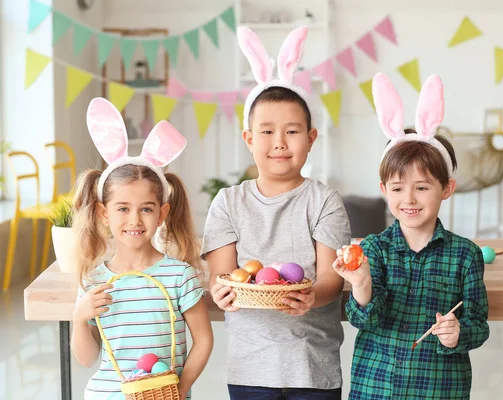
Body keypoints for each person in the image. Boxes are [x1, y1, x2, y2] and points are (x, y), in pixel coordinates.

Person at [202, 26, 351, 399]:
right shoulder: (228, 202)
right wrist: (219, 293)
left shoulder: (324, 201)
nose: (280, 143)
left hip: (314, 365)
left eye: (292, 131)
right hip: (250, 367)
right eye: (266, 131)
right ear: (249, 139)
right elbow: (223, 276)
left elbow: (333, 280)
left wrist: (312, 296)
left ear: (311, 138)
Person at [332, 73, 489, 399]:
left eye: (422, 187)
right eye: (398, 189)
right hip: (377, 387)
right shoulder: (374, 248)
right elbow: (365, 320)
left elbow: (479, 323)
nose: (410, 199)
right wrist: (360, 283)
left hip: (440, 389)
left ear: (446, 189)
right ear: (384, 190)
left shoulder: (465, 255)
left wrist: (458, 333)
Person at [71, 97, 213, 399]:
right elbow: (86, 359)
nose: (134, 219)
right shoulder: (95, 281)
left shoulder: (180, 277)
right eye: (122, 208)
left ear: (162, 214)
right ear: (103, 214)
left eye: (146, 209)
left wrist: (179, 390)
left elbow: (203, 341)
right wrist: (79, 318)